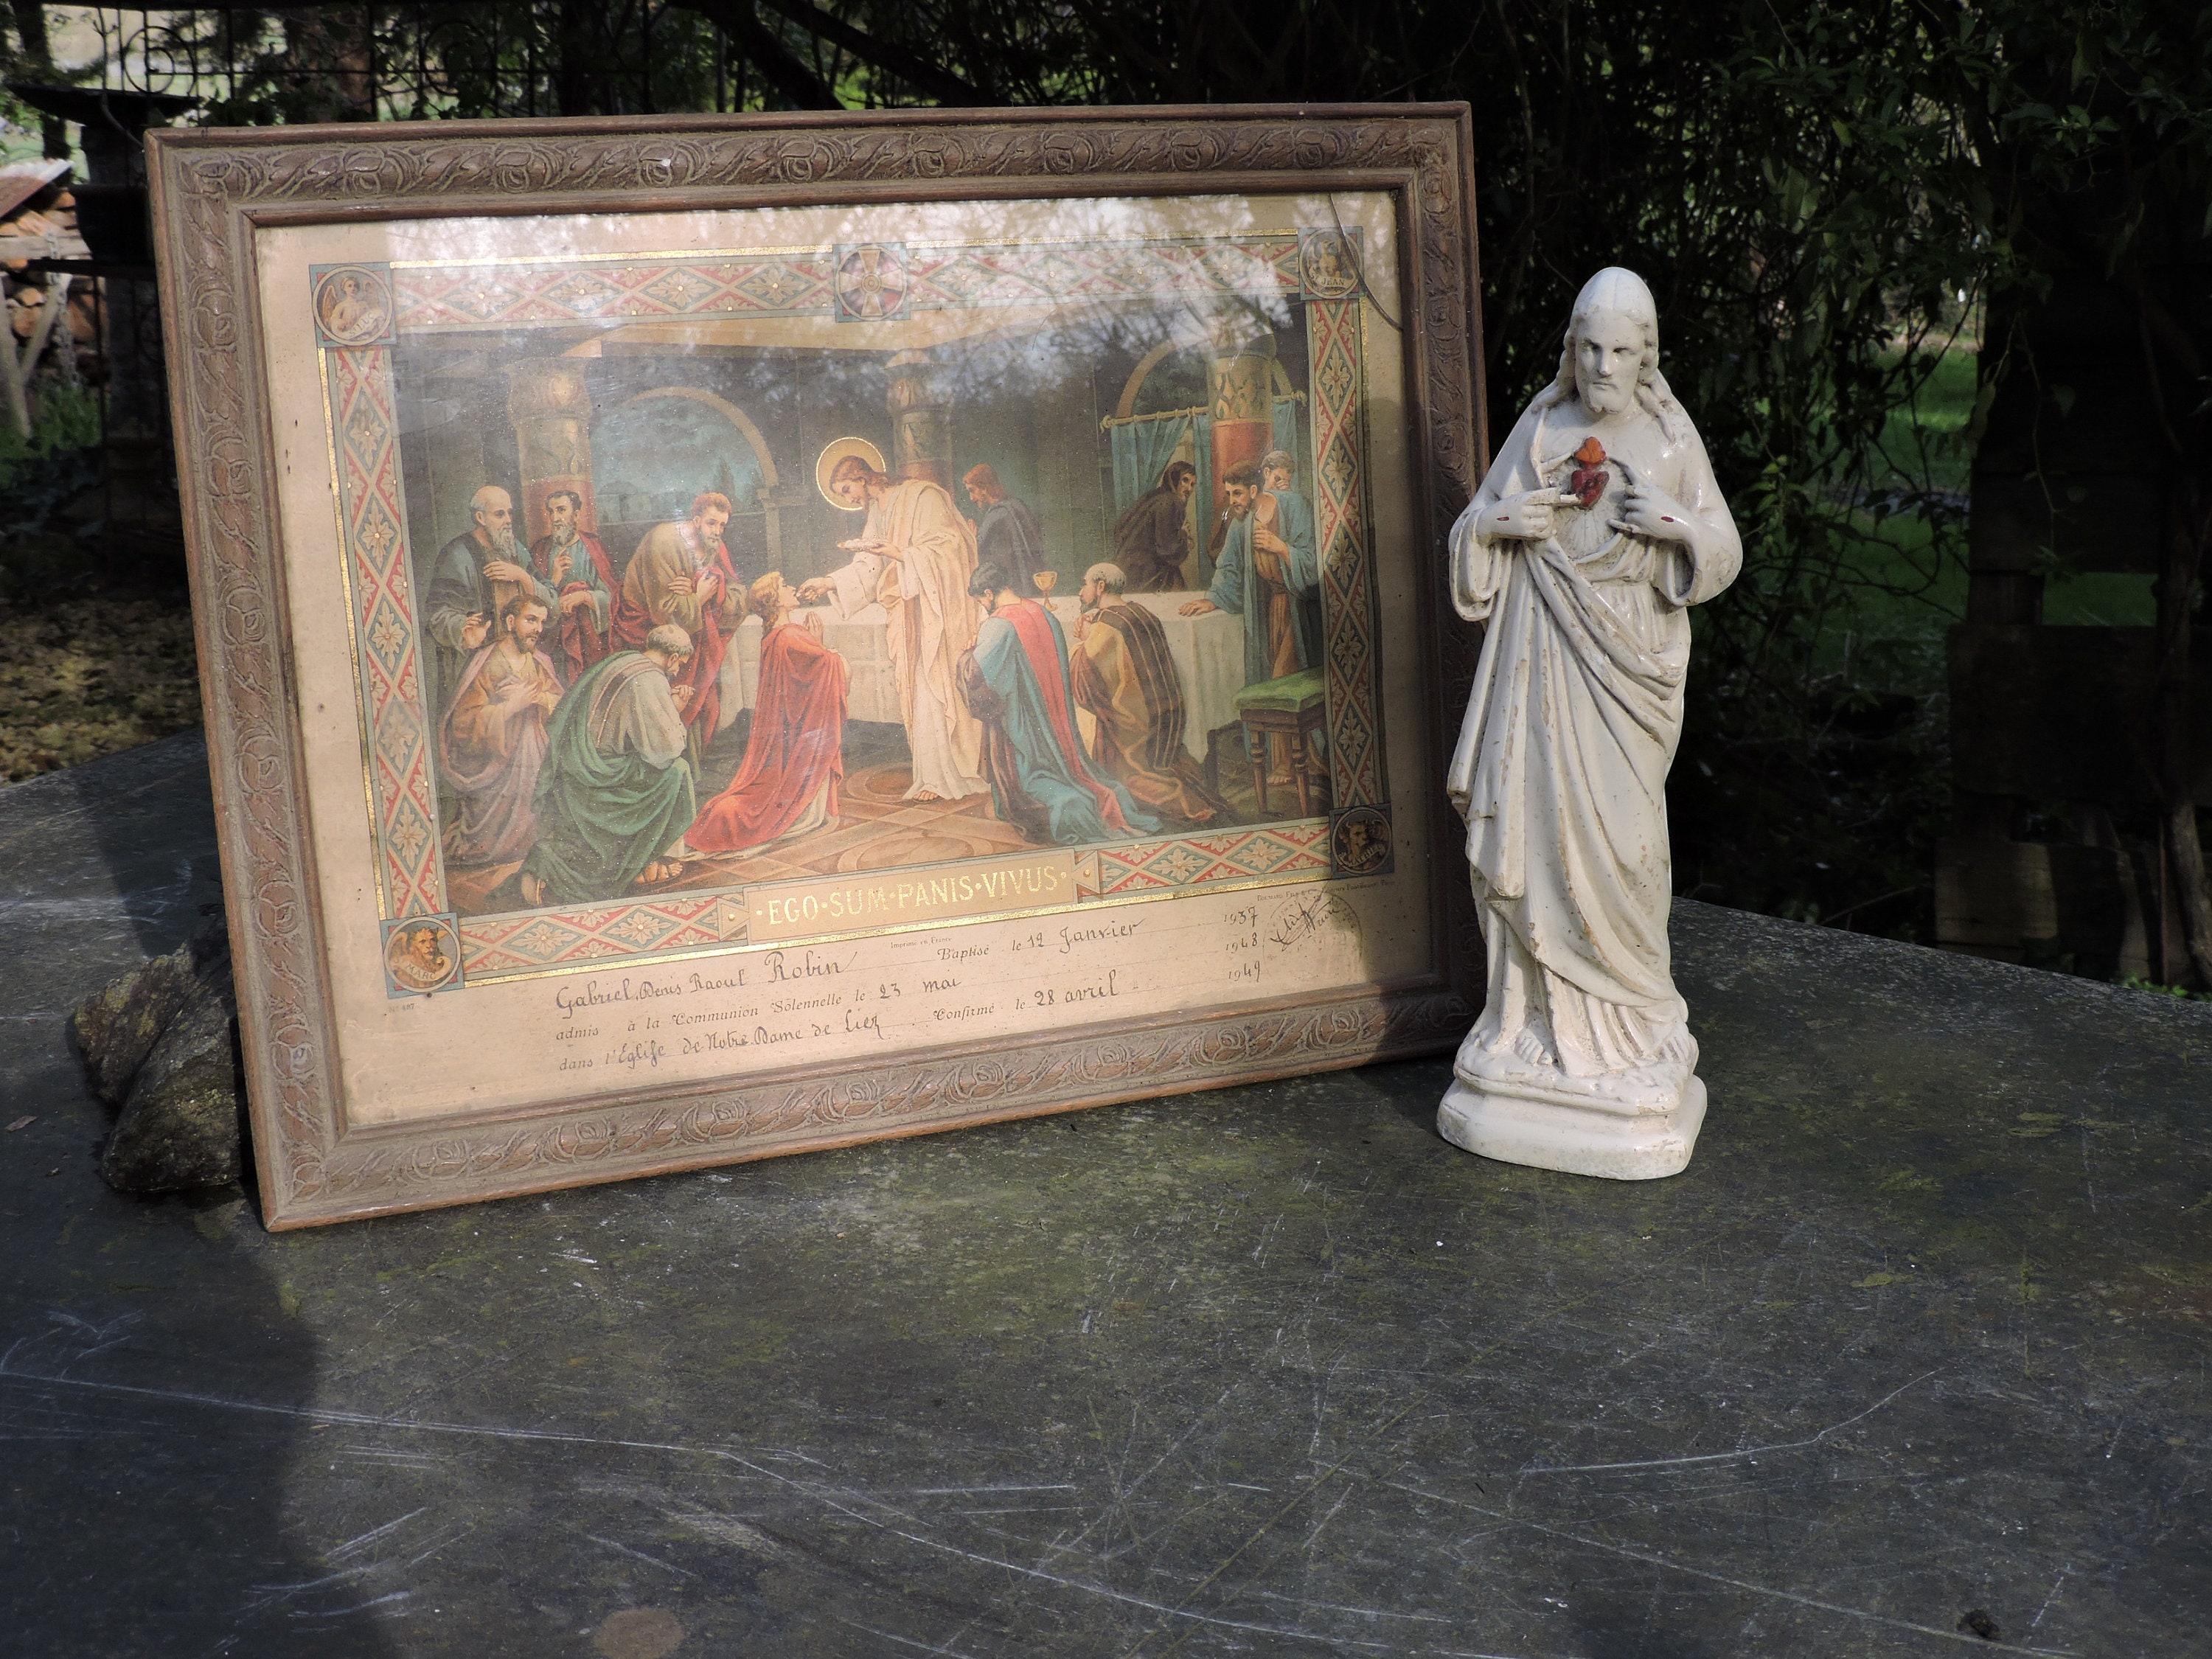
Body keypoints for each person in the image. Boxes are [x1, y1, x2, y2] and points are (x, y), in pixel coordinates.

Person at [1444, 265, 1741, 1121]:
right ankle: (1529, 1024)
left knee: (1629, 848)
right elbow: (1473, 527)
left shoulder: (1671, 440)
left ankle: (1637, 1022)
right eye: (1590, 350)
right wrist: (1498, 525)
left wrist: (1675, 525)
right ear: (1571, 350)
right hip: (1539, 664)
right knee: (1534, 832)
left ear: (1647, 357)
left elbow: (1724, 547)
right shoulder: (1542, 428)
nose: (1603, 367)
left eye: (1620, 352)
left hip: (1629, 672)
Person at [799, 455, 985, 802]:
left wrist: (901, 554)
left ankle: (953, 774)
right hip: (909, 615)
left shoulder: (922, 496)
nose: (849, 499)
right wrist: (829, 582)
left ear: (862, 477)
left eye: (847, 489)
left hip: (940, 614)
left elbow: (950, 550)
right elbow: (868, 565)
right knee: (918, 689)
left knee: (936, 685)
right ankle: (933, 775)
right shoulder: (877, 513)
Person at [956, 563, 1155, 846]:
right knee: (1081, 778)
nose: (983, 607)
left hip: (1026, 733)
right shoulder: (1044, 614)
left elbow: (979, 680)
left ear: (989, 593)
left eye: (980, 601)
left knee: (1039, 782)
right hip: (1061, 734)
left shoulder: (998, 625)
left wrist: (968, 654)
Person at [519, 625, 702, 907]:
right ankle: (638, 862)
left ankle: (640, 861)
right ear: (673, 658)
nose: (678, 672)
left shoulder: (623, 660)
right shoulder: (650, 679)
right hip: (604, 775)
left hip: (577, 768)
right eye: (680, 665)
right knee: (678, 772)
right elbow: (664, 751)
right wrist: (675, 710)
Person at [686, 573, 849, 857]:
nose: (792, 588)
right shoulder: (789, 635)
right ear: (775, 600)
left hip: (789, 734)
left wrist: (818, 647)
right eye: (785, 586)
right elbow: (830, 668)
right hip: (798, 737)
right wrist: (821, 646)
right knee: (758, 803)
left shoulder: (776, 634)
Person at [1180, 459, 1321, 778]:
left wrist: (1281, 548)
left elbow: (1316, 562)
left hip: (1300, 609)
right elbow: (1228, 568)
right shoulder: (1241, 522)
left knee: (1282, 677)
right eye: (1229, 494)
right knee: (1271, 681)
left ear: (1255, 490)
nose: (1232, 501)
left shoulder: (1293, 506)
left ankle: (1290, 764)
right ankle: (1288, 761)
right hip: (1270, 610)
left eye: (1238, 494)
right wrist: (1212, 599)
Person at [1071, 562, 1230, 828]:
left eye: (1085, 585)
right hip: (1165, 722)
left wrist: (1084, 641)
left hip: (1134, 730)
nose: (1081, 591)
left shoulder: (1106, 626)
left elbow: (1082, 681)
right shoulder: (1141, 612)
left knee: (1084, 738)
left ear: (1100, 587)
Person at [613, 491, 742, 768]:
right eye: (711, 523)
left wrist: (703, 588)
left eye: (722, 525)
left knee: (703, 702)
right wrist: (699, 597)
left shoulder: (715, 545)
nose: (717, 531)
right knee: (665, 705)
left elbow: (738, 595)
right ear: (695, 520)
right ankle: (666, 769)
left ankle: (692, 770)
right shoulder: (664, 542)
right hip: (649, 638)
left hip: (692, 639)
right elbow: (663, 615)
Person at [437, 594, 563, 867]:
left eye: (541, 622)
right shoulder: (487, 663)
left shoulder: (540, 662)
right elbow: (463, 723)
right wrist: (509, 709)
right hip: (497, 769)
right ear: (510, 622)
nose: (538, 629)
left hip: (536, 760)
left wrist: (539, 700)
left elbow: (561, 704)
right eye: (531, 620)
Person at [424, 484, 555, 710]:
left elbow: (552, 604)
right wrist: (465, 630)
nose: (508, 520)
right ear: (480, 518)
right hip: (479, 671)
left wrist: (523, 576)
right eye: (499, 514)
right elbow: (438, 615)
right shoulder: (457, 555)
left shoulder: (516, 550)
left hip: (519, 664)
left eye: (510, 513)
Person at [529, 488, 619, 685]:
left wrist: (585, 597)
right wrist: (554, 580)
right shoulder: (540, 550)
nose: (555, 518)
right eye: (551, 512)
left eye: (561, 510)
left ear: (576, 515)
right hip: (553, 638)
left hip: (590, 641)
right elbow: (531, 599)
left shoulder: (594, 548)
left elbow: (613, 597)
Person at [1110, 459, 1197, 592]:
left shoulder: (1156, 495)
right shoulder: (1170, 501)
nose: (1189, 489)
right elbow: (1168, 549)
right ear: (1174, 478)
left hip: (1130, 568)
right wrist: (1184, 536)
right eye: (1185, 481)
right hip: (1146, 574)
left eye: (1192, 484)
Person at [962, 463, 1048, 594]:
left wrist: (972, 537)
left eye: (972, 490)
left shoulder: (997, 515)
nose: (972, 498)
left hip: (1012, 585)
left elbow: (977, 547)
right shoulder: (1016, 505)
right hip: (1026, 581)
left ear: (984, 488)